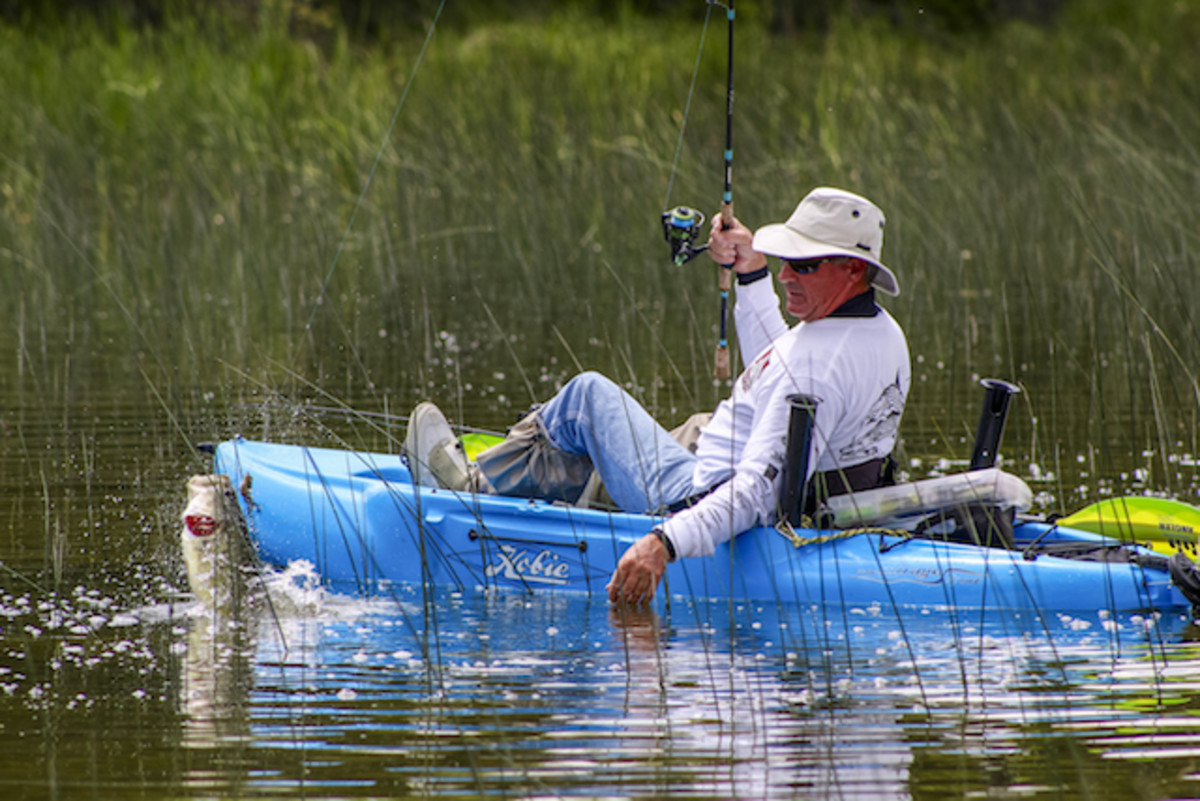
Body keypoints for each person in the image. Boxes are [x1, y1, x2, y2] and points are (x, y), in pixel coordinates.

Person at [404, 187, 911, 606]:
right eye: (784, 261)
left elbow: (758, 490)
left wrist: (664, 542)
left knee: (588, 398)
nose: (785, 275)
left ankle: (470, 490)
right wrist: (750, 273)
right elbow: (775, 375)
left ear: (850, 269)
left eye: (803, 265)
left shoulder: (814, 368)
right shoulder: (879, 333)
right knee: (685, 424)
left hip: (697, 493)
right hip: (723, 453)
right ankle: (562, 473)